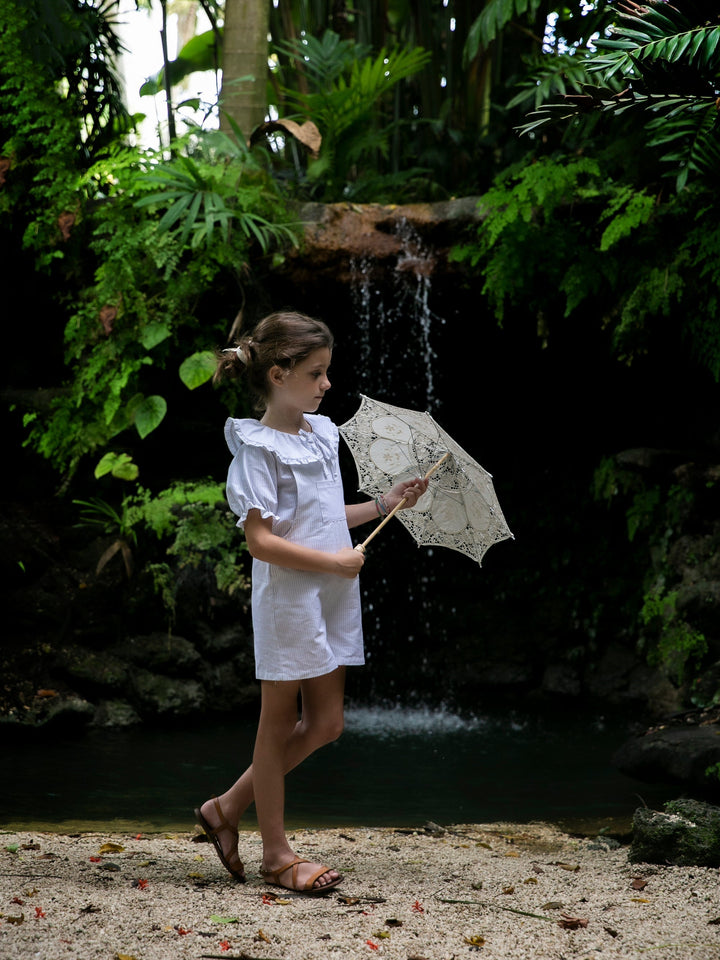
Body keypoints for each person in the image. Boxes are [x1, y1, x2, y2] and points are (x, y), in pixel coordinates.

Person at [194, 311, 428, 895]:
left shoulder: (321, 433)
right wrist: (337, 562)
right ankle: (277, 854)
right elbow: (262, 541)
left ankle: (223, 809)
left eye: (327, 372)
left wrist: (381, 505)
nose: (327, 384)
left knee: (325, 723)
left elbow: (323, 519)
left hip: (329, 590)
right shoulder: (256, 447)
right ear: (278, 374)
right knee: (277, 725)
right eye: (316, 373)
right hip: (290, 597)